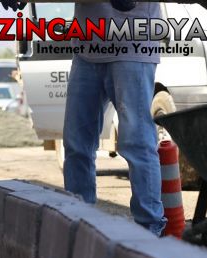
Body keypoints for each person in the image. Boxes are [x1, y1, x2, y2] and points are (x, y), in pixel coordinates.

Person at [63, 2, 167, 235]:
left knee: (137, 143)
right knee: (76, 145)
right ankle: (80, 227)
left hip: (132, 46)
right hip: (87, 48)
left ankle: (149, 231)